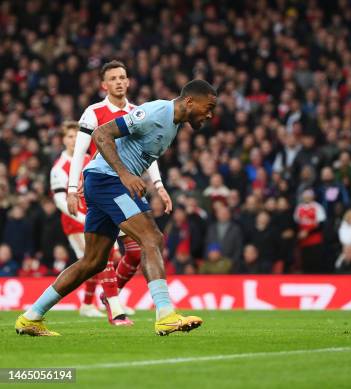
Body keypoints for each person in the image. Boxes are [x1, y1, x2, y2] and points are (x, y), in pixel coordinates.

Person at [15, 79, 217, 336]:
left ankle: (31, 317)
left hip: (104, 182)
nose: (210, 114)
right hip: (107, 180)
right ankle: (165, 314)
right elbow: (101, 134)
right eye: (208, 107)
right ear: (189, 100)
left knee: (93, 262)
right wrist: (124, 174)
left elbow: (140, 153)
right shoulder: (155, 112)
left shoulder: (174, 123)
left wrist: (155, 183)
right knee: (151, 237)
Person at [66, 60, 173, 318]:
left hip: (127, 188)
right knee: (107, 251)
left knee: (136, 252)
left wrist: (159, 185)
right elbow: (79, 152)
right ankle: (115, 309)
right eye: (113, 78)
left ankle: (109, 296)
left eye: (122, 77)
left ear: (128, 81)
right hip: (103, 186)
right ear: (104, 85)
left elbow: (151, 154)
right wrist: (71, 187)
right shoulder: (93, 112)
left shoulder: (139, 111)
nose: (119, 82)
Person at [50, 121, 127, 322]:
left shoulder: (90, 159)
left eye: (76, 136)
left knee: (96, 260)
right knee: (96, 258)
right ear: (62, 140)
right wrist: (83, 218)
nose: (73, 140)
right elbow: (60, 201)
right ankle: (110, 302)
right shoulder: (59, 168)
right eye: (69, 136)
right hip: (75, 221)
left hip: (97, 216)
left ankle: (89, 303)